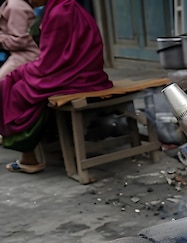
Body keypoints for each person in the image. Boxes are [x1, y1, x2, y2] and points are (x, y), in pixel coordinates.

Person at [1, 0, 112, 173]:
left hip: (76, 77)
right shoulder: (67, 6)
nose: (29, 0)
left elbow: (48, 63)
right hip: (84, 73)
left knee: (17, 91)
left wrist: (21, 71)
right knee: (15, 82)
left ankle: (29, 158)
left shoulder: (59, 12)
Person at [0, 0, 40, 80]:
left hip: (25, 54)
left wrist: (1, 38)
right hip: (10, 51)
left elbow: (19, 41)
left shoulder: (15, 7)